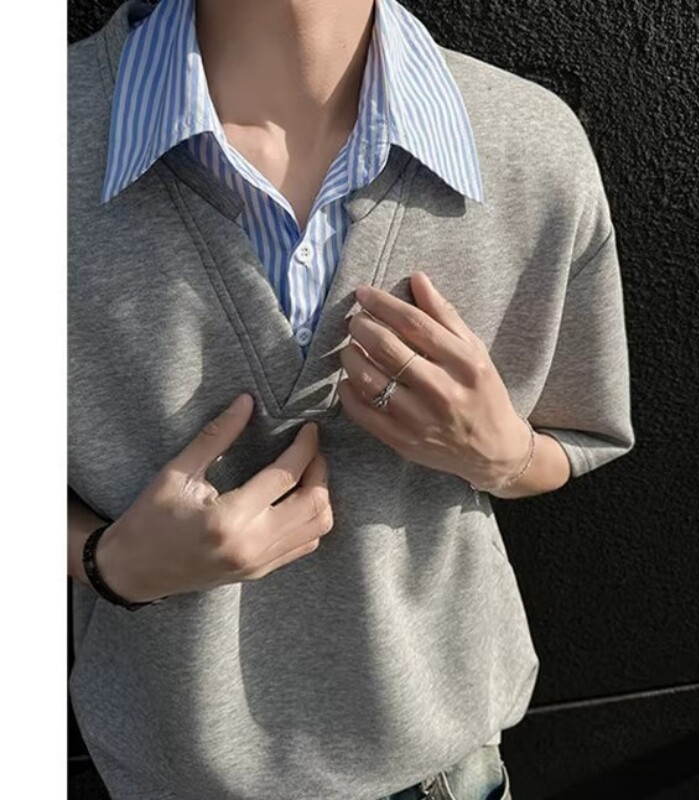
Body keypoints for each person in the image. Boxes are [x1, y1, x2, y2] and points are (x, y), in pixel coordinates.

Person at [67, 0, 635, 798]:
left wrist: (502, 455)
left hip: (450, 775)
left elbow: (577, 435)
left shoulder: (531, 150)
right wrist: (108, 562)